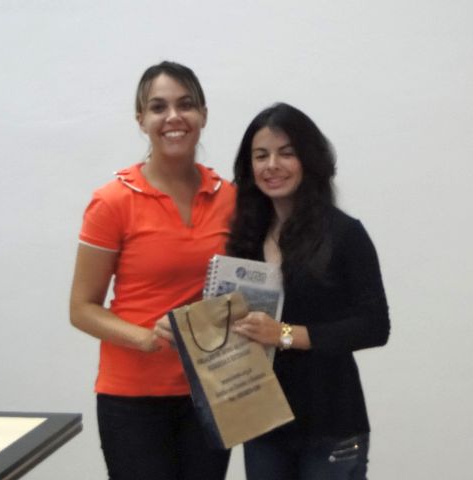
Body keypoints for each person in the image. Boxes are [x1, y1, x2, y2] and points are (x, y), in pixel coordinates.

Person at [69, 61, 234, 480]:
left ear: (203, 115)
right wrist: (145, 338)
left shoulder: (230, 198)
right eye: (159, 107)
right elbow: (82, 309)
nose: (174, 117)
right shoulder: (112, 202)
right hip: (133, 399)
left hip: (212, 392)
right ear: (141, 119)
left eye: (186, 104)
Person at [227, 102, 390, 480]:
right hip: (263, 425)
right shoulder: (245, 239)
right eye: (261, 156)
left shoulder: (345, 234)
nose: (272, 165)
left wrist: (284, 334)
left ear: (310, 160)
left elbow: (374, 326)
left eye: (286, 153)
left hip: (330, 424)